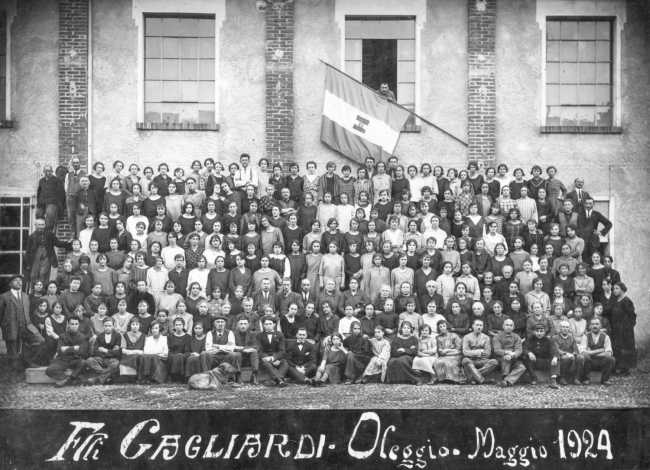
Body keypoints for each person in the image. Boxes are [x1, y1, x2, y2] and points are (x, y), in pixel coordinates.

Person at [0, 275, 44, 370]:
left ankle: (27, 361)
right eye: (16, 280)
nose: (19, 282)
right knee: (13, 353)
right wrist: (4, 327)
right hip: (11, 328)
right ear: (10, 283)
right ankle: (14, 371)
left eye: (20, 280)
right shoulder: (4, 297)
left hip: (26, 327)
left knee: (39, 340)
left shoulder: (25, 296)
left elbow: (29, 312)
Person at [45, 316, 89, 387]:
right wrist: (74, 348)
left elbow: (82, 352)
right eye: (72, 324)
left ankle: (69, 379)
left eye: (76, 324)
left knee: (83, 363)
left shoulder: (82, 337)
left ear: (79, 325)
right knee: (49, 370)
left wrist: (66, 349)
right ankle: (67, 378)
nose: (74, 326)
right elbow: (59, 350)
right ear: (68, 324)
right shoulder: (63, 336)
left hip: (75, 360)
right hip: (63, 360)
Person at [578, 318, 616, 385]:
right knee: (585, 357)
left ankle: (605, 380)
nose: (595, 326)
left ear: (600, 326)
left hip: (601, 361)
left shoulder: (606, 337)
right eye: (593, 324)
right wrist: (600, 350)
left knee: (611, 359)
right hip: (590, 362)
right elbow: (582, 352)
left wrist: (590, 352)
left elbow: (608, 353)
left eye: (597, 324)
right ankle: (586, 379)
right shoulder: (585, 336)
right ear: (590, 326)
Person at [84, 316, 122, 385]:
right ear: (103, 326)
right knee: (89, 360)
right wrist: (109, 352)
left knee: (116, 364)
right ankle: (105, 375)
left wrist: (105, 350)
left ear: (113, 326)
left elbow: (117, 352)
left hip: (112, 359)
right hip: (101, 358)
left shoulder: (117, 336)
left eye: (109, 326)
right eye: (106, 326)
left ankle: (96, 379)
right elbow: (95, 351)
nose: (107, 327)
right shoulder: (100, 336)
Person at [609, 282, 636, 375]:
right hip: (616, 329)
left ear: (622, 289)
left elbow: (632, 316)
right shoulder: (616, 301)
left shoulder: (626, 301)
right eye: (613, 289)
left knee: (625, 348)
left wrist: (627, 328)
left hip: (625, 330)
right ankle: (618, 367)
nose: (614, 290)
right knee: (617, 348)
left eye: (617, 288)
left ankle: (625, 369)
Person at [461, 319, 497, 384]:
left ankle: (472, 378)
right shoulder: (466, 337)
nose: (479, 327)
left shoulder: (486, 337)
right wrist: (478, 352)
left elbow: (488, 353)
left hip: (482, 360)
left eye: (481, 325)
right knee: (465, 360)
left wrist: (473, 352)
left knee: (494, 362)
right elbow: (465, 352)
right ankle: (482, 380)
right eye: (477, 325)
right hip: (471, 360)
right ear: (473, 326)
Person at [523, 323, 560, 389]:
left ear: (544, 332)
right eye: (537, 331)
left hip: (545, 361)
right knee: (525, 358)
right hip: (534, 361)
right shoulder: (530, 339)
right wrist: (529, 353)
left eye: (541, 331)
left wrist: (555, 357)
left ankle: (553, 380)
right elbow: (524, 348)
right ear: (534, 332)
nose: (539, 333)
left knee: (556, 359)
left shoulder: (548, 340)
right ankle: (533, 378)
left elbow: (555, 350)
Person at [493, 319, 526, 387]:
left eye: (511, 325)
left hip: (513, 358)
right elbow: (497, 350)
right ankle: (505, 376)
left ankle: (506, 380)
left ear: (513, 327)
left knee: (522, 367)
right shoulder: (497, 336)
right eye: (507, 325)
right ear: (503, 326)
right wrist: (506, 352)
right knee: (506, 359)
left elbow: (519, 350)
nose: (508, 327)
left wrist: (512, 355)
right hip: (501, 359)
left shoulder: (516, 337)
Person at [257, 316, 288, 387]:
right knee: (266, 363)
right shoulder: (259, 335)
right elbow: (259, 350)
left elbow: (282, 350)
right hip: (265, 358)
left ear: (274, 324)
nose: (268, 326)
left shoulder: (280, 334)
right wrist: (268, 358)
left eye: (270, 324)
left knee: (285, 363)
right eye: (266, 324)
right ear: (263, 325)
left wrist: (274, 358)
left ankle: (274, 380)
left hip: (276, 357)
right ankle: (280, 380)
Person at [552, 319, 583, 385]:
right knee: (565, 358)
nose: (565, 329)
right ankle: (562, 378)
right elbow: (556, 349)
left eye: (567, 327)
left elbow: (575, 349)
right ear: (560, 328)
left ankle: (576, 378)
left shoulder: (571, 337)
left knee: (580, 357)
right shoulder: (555, 337)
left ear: (569, 329)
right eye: (563, 327)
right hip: (561, 357)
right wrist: (566, 354)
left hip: (571, 356)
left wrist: (574, 354)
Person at [36, 165, 66, 231]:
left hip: (52, 202)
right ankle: (40, 230)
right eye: (46, 171)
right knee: (38, 214)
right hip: (42, 202)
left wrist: (60, 206)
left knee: (50, 214)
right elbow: (39, 192)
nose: (48, 173)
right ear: (44, 172)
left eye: (49, 171)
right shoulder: (41, 181)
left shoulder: (56, 180)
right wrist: (38, 202)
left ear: (52, 171)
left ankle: (48, 231)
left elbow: (61, 193)